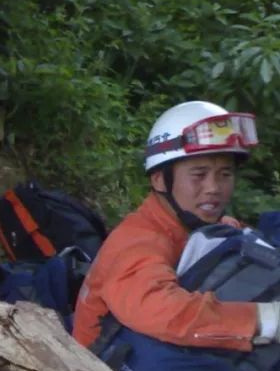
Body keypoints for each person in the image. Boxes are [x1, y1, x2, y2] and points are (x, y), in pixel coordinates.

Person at [73, 100, 270, 354]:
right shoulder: (137, 241)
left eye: (225, 174)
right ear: (160, 180)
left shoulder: (198, 225)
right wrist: (264, 318)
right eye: (198, 175)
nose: (214, 187)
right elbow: (160, 309)